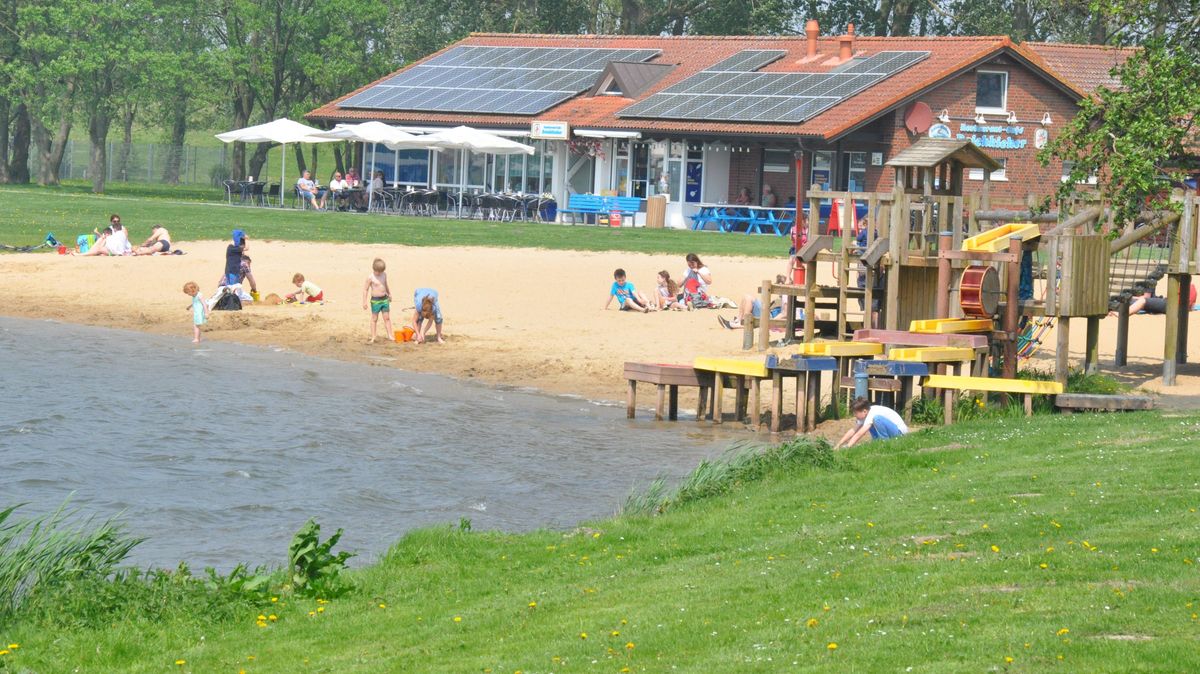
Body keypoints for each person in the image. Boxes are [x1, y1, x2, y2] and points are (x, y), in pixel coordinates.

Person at [833, 397, 909, 449]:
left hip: (899, 433)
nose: (854, 415)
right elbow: (853, 430)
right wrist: (838, 444)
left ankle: (885, 443)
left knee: (877, 419)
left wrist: (848, 446)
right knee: (870, 424)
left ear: (864, 411)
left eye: (856, 413)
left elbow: (860, 434)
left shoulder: (872, 413)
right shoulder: (865, 415)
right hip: (892, 431)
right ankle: (877, 442)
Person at [363, 258, 394, 343]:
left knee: (387, 318)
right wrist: (364, 301)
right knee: (374, 319)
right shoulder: (370, 277)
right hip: (375, 301)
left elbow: (385, 284)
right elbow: (365, 289)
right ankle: (373, 337)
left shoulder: (384, 275)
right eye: (378, 271)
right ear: (374, 269)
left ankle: (390, 335)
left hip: (384, 299)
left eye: (381, 271)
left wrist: (389, 293)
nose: (380, 273)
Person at [718, 292, 783, 330]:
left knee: (749, 298)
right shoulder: (782, 300)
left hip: (769, 317)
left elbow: (783, 315)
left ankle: (743, 322)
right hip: (768, 312)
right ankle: (738, 319)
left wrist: (771, 322)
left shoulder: (787, 303)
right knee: (746, 297)